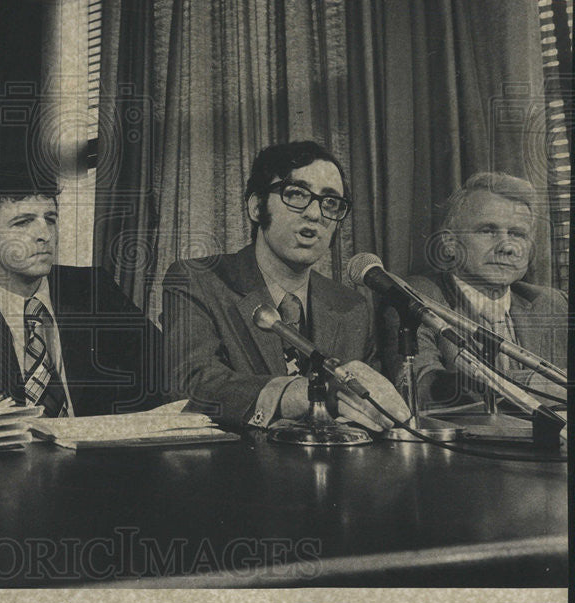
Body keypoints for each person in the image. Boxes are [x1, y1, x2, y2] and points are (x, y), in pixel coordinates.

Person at [162, 141, 410, 431]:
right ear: (257, 207)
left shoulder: (351, 307)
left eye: (330, 203)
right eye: (296, 194)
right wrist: (296, 394)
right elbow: (188, 386)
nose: (315, 214)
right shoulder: (198, 280)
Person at [0, 166, 162, 416]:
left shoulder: (94, 289)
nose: (45, 234)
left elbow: (162, 368)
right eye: (23, 222)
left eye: (50, 219)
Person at [379, 172, 568, 411]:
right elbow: (422, 390)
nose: (507, 247)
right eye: (488, 231)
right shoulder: (416, 298)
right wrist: (533, 384)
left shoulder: (555, 303)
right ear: (449, 244)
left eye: (517, 234)